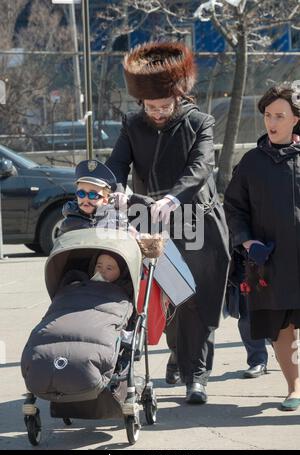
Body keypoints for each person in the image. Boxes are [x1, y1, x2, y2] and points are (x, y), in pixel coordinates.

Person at [106, 41, 230, 404]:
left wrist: (173, 197)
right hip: (151, 221)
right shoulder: (132, 125)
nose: (157, 113)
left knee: (201, 300)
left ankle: (199, 376)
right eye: (150, 107)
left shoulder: (199, 122)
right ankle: (179, 355)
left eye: (164, 106)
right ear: (140, 103)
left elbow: (200, 167)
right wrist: (114, 186)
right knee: (169, 299)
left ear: (178, 97)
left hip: (198, 220)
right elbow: (117, 163)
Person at [224, 83, 300, 411]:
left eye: (280, 115)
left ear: (296, 119)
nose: (272, 121)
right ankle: (294, 388)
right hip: (268, 260)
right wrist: (247, 240)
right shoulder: (251, 163)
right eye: (268, 115)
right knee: (282, 328)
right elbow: (233, 207)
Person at [227, 252, 268, 378]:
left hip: (270, 258)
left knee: (278, 318)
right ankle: (258, 361)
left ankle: (284, 354)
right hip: (242, 265)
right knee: (247, 318)